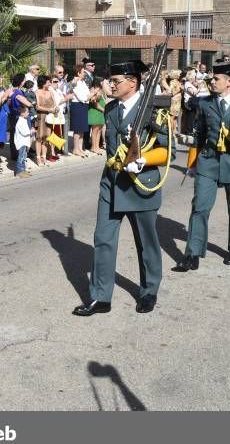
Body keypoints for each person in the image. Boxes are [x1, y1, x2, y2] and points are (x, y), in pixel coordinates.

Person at [73, 60, 170, 317]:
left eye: (116, 81)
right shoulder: (112, 108)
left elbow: (165, 149)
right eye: (110, 81)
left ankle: (149, 290)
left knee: (145, 241)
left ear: (133, 82)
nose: (111, 85)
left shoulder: (154, 109)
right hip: (113, 182)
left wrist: (143, 160)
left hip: (141, 184)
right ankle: (100, 296)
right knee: (103, 239)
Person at [178, 60, 230, 270]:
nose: (212, 82)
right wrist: (192, 163)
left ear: (229, 82)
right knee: (199, 206)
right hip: (209, 160)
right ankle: (193, 253)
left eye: (216, 79)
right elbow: (199, 134)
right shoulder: (205, 103)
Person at [69, 64, 90, 157]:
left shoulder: (83, 82)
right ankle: (75, 148)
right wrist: (88, 97)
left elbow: (87, 94)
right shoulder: (75, 81)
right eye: (83, 72)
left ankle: (80, 148)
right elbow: (81, 96)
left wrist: (89, 96)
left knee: (82, 128)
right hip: (77, 105)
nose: (85, 73)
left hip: (84, 105)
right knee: (77, 129)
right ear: (78, 73)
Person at [13, 105, 33, 178]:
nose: (28, 113)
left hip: (24, 142)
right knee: (20, 157)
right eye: (27, 112)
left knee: (24, 157)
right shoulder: (20, 121)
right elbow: (24, 132)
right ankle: (18, 172)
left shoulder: (23, 120)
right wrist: (31, 131)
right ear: (22, 113)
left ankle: (23, 170)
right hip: (21, 143)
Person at [87, 78, 106, 155]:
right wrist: (102, 109)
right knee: (95, 130)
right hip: (95, 112)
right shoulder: (93, 89)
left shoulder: (101, 89)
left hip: (100, 113)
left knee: (99, 130)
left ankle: (97, 146)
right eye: (102, 82)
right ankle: (93, 147)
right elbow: (92, 101)